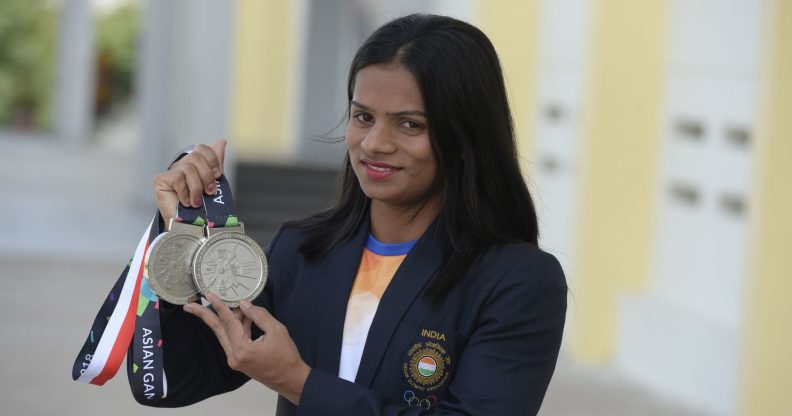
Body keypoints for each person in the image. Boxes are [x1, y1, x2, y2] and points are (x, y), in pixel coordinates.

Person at [140, 13, 567, 415]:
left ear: (464, 138)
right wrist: (180, 236)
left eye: (410, 124)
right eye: (363, 116)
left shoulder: (518, 282)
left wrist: (299, 382)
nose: (374, 143)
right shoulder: (303, 251)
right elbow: (171, 382)